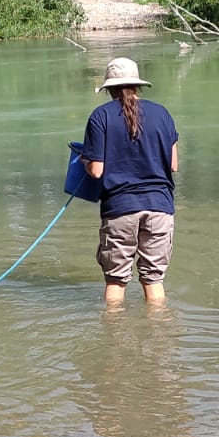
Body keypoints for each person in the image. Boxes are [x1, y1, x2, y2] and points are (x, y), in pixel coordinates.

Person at [80, 57, 179, 307]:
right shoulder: (162, 114)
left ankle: (114, 342)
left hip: (120, 208)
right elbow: (173, 165)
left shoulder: (100, 117)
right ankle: (158, 338)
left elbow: (96, 170)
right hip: (160, 206)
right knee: (153, 279)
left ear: (109, 88)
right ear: (137, 85)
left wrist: (83, 161)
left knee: (116, 281)